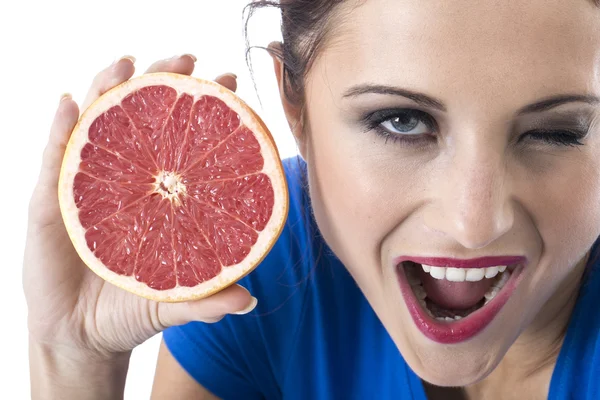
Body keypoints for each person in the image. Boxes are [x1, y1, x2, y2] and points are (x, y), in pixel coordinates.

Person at [24, 0, 600, 399]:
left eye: (556, 132)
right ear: (293, 107)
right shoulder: (261, 264)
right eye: (400, 121)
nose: (474, 222)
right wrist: (74, 358)